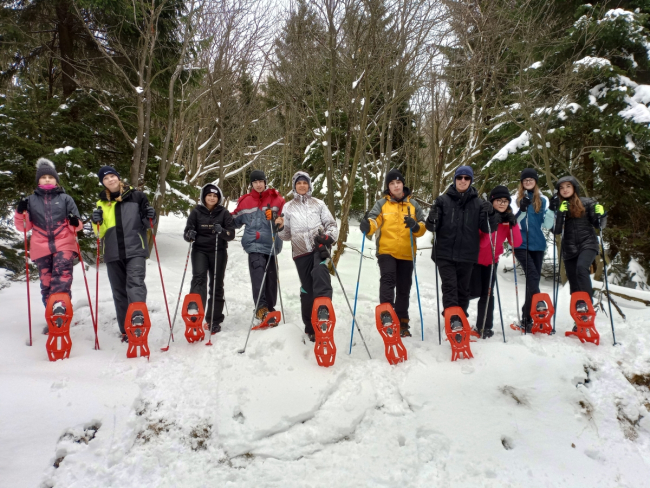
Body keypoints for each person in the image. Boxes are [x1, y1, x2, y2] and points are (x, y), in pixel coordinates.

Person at [15, 158, 83, 333]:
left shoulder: (65, 198)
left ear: (56, 180)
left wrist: (74, 221)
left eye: (50, 177)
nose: (47, 180)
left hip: (64, 244)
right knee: (46, 285)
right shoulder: (30, 201)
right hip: (40, 246)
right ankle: (52, 317)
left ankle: (61, 315)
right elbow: (23, 227)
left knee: (61, 279)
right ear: (38, 180)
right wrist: (19, 212)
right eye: (43, 177)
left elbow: (77, 225)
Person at [425, 165, 498, 330]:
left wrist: (491, 214)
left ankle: (460, 318)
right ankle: (453, 320)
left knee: (463, 290)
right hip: (444, 253)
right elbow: (432, 227)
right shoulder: (442, 201)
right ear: (455, 180)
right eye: (459, 177)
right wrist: (432, 217)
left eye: (466, 178)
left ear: (471, 181)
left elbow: (488, 228)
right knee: (450, 286)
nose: (463, 181)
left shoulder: (479, 203)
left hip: (467, 254)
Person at [91, 166, 156, 342]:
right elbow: (99, 233)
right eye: (106, 178)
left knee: (135, 284)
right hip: (112, 252)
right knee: (119, 292)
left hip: (135, 248)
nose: (110, 180)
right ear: (103, 182)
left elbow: (148, 223)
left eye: (113, 176)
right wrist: (96, 221)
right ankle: (126, 330)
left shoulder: (137, 196)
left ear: (119, 178)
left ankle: (137, 321)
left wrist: (151, 215)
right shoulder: (101, 202)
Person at [359, 169, 426, 337]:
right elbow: (374, 220)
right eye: (392, 183)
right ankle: (387, 316)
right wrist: (368, 225)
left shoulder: (413, 205)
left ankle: (402, 321)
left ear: (403, 184)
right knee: (388, 279)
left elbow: (422, 227)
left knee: (404, 288)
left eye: (398, 182)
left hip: (407, 252)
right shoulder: (382, 203)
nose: (396, 186)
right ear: (388, 187)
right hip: (386, 250)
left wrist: (416, 227)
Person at [276, 171, 338, 342]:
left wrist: (328, 237)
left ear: (309, 185)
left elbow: (331, 224)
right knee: (308, 288)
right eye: (299, 183)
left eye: (305, 182)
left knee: (321, 273)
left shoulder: (318, 204)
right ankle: (311, 326)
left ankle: (323, 313)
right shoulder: (288, 207)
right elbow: (286, 235)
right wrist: (280, 228)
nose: (302, 185)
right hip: (300, 251)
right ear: (294, 186)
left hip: (320, 247)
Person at [232, 170, 285, 322]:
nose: (258, 185)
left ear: (265, 182)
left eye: (261, 181)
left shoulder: (277, 199)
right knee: (258, 274)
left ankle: (270, 307)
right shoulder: (246, 201)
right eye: (255, 182)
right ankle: (261, 308)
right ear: (251, 184)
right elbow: (234, 220)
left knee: (271, 278)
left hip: (272, 244)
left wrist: (275, 218)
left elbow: (285, 219)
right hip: (254, 245)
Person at [470, 186, 522, 338]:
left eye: (505, 201)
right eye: (498, 200)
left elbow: (516, 243)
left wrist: (514, 224)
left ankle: (484, 327)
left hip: (492, 262)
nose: (502, 203)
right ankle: (457, 319)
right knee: (469, 292)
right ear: (492, 201)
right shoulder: (483, 215)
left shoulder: (507, 220)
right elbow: (483, 244)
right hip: (474, 260)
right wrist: (491, 223)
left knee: (488, 294)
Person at [183, 184, 236, 334]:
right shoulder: (196, 212)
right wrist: (190, 235)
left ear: (218, 198)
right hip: (200, 251)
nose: (212, 198)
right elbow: (187, 232)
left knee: (216, 283)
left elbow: (231, 235)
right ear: (204, 197)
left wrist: (222, 231)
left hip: (218, 251)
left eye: (215, 196)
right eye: (209, 195)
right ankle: (195, 314)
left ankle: (214, 319)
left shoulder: (224, 213)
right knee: (199, 279)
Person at [552, 176, 606, 311]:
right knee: (574, 282)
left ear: (574, 188)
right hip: (569, 248)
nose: (565, 190)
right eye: (561, 188)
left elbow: (599, 225)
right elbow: (556, 230)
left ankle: (586, 303)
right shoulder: (558, 206)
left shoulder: (587, 203)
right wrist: (560, 214)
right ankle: (579, 317)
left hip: (588, 243)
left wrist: (602, 215)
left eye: (568, 186)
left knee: (581, 268)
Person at [510, 168, 555, 330]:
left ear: (535, 182)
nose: (528, 182)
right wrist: (521, 209)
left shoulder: (542, 200)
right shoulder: (514, 199)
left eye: (531, 179)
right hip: (520, 244)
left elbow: (547, 225)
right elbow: (512, 222)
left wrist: (552, 211)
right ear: (521, 183)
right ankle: (537, 308)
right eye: (525, 180)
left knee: (532, 280)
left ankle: (527, 318)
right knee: (533, 276)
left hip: (538, 245)